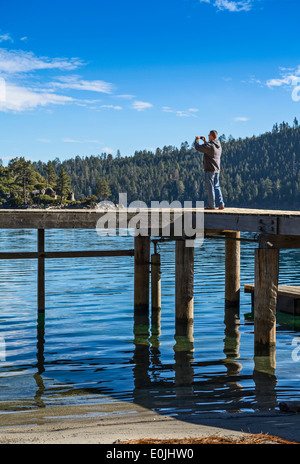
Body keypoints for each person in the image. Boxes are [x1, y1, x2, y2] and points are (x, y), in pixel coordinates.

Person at [194, 130, 225, 210]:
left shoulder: (210, 146)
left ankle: (211, 205)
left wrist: (197, 140)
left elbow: (198, 147)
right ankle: (221, 204)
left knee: (210, 188)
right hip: (217, 169)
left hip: (210, 169)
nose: (208, 136)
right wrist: (205, 141)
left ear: (211, 136)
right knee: (217, 186)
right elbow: (209, 148)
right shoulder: (218, 145)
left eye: (209, 135)